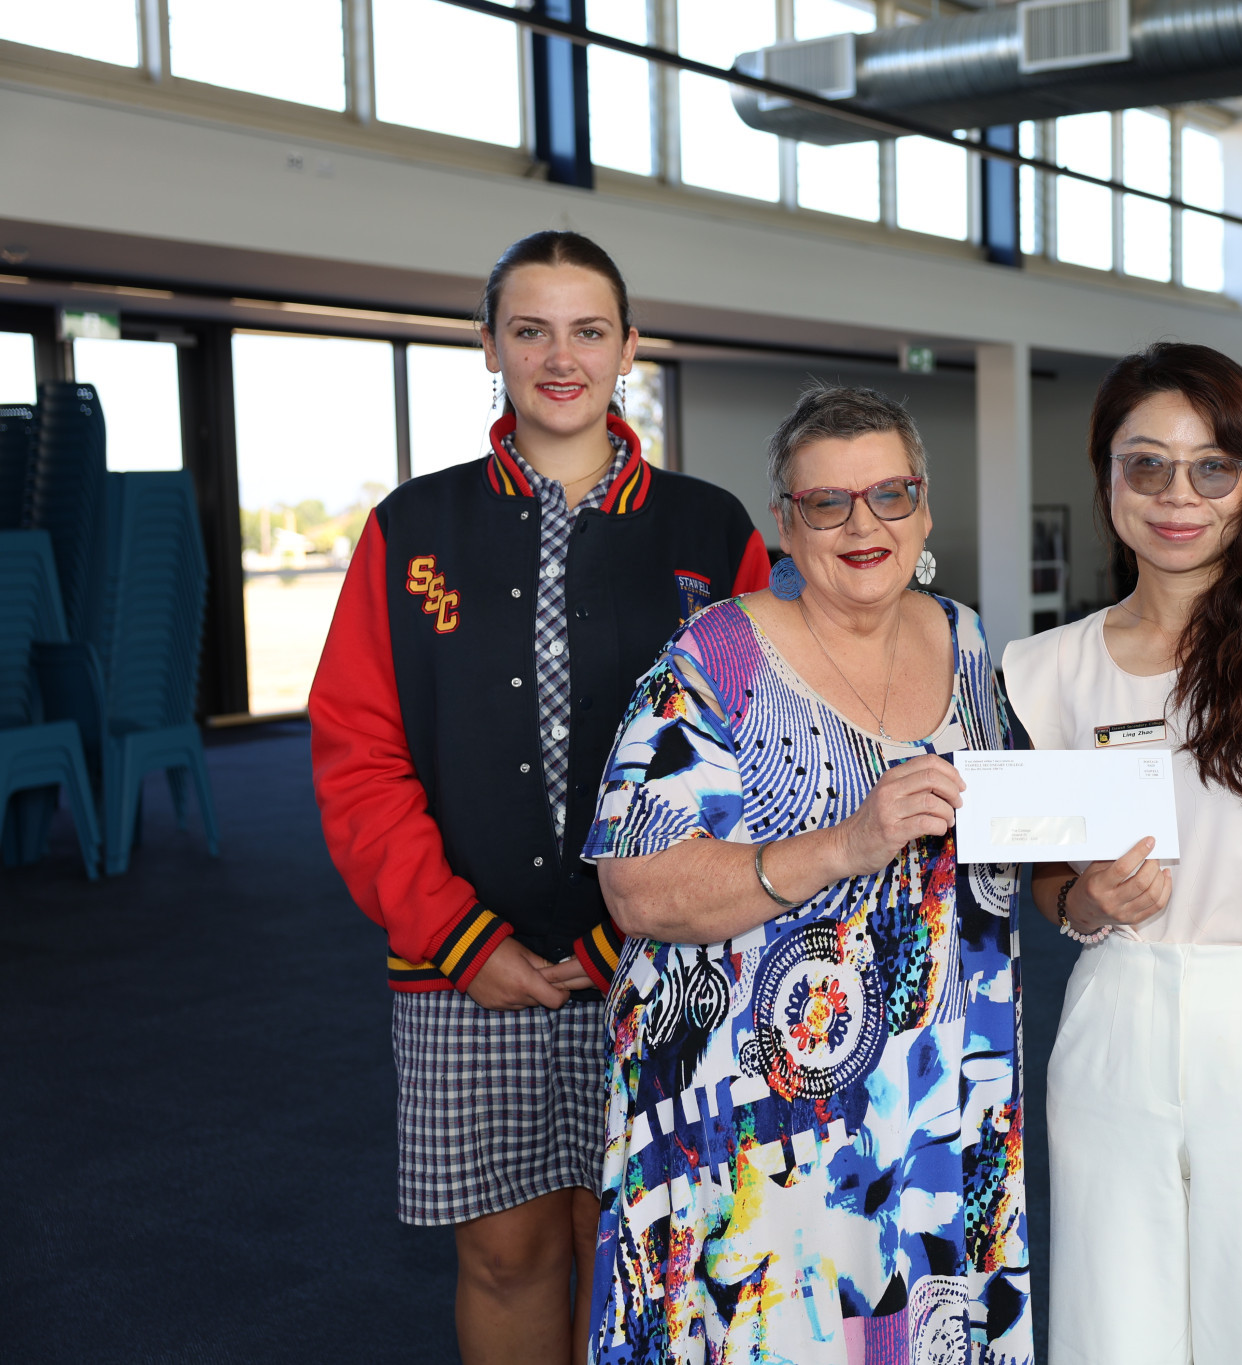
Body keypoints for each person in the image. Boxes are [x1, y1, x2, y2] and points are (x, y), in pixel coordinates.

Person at [310, 230, 770, 1365]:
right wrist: (459, 938)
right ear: (488, 347)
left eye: (586, 330)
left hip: (662, 962)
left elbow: (762, 756)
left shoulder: (711, 531)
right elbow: (359, 754)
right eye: (529, 330)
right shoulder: (412, 532)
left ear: (626, 350)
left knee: (631, 1249)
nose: (558, 357)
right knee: (506, 1257)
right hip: (465, 970)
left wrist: (642, 924)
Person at [580, 386, 1032, 1364]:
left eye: (889, 495)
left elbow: (991, 836)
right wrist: (844, 844)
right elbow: (635, 889)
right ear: (786, 521)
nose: (862, 523)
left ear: (922, 503)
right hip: (759, 1131)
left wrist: (1095, 868)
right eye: (827, 502)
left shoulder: (963, 639)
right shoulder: (717, 656)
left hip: (931, 1105)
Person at [1002, 342, 1242, 1364]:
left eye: (1211, 466)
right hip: (1110, 1026)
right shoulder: (1045, 671)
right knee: (1110, 1331)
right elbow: (1051, 884)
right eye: (1147, 464)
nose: (1178, 495)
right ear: (1105, 479)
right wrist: (1086, 902)